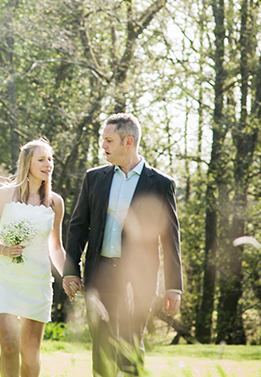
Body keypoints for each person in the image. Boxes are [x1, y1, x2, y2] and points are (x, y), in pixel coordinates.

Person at [62, 113, 183, 377]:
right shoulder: (94, 178)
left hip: (137, 278)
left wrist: (173, 286)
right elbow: (78, 227)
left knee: (130, 344)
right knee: (102, 346)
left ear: (128, 142)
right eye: (102, 140)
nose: (103, 146)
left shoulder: (161, 184)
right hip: (99, 273)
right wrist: (71, 270)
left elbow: (170, 238)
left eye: (108, 140)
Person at [0, 139, 66, 377]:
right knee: (9, 345)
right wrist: (4, 249)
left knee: (30, 356)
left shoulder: (55, 202)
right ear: (27, 163)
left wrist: (69, 275)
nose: (48, 164)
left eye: (50, 159)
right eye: (41, 159)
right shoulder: (3, 195)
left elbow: (56, 248)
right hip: (5, 279)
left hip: (37, 283)